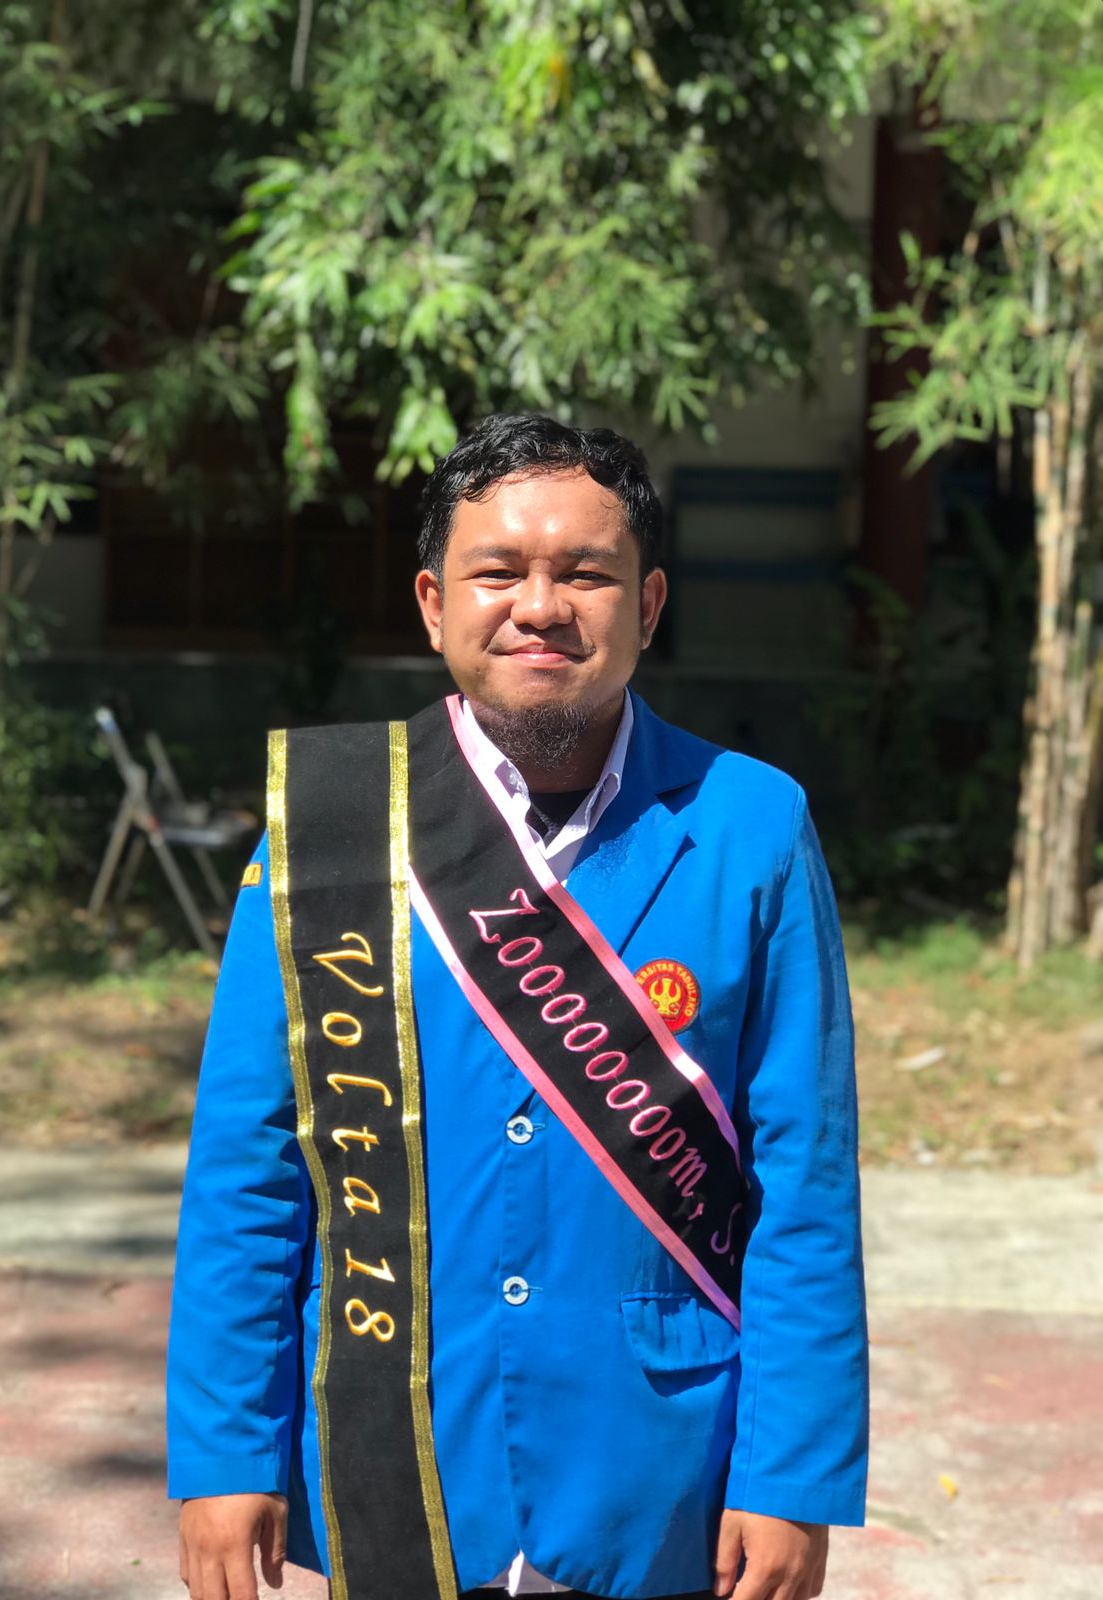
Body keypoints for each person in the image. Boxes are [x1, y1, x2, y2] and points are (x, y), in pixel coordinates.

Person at [167, 414, 868, 1600]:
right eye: (498, 571)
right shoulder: (332, 827)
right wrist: (226, 1450)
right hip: (394, 1448)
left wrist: (792, 1474)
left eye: (585, 573)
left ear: (648, 605)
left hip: (662, 1471)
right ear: (434, 603)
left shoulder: (751, 824)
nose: (540, 606)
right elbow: (251, 1166)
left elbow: (805, 1182)